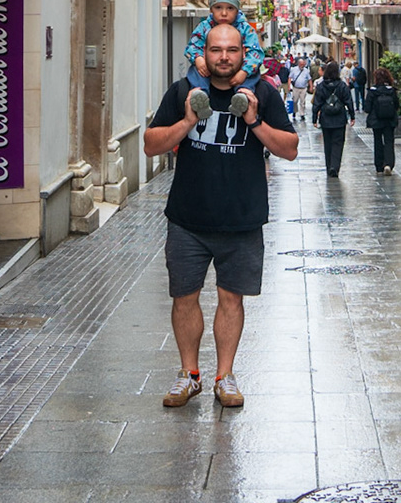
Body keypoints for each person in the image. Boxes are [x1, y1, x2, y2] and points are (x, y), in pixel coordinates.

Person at [144, 22, 299, 408]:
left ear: (244, 54)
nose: (224, 57)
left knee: (232, 300)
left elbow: (290, 149)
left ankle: (224, 376)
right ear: (204, 53)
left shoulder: (261, 93)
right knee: (184, 298)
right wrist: (187, 121)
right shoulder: (183, 91)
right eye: (216, 50)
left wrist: (254, 122)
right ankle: (189, 375)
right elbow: (150, 145)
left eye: (232, 50)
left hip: (242, 219)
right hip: (188, 219)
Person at [182, 0, 266, 119]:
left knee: (253, 75)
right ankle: (200, 96)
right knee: (195, 72)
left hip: (240, 69)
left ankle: (243, 97)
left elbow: (255, 52)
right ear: (211, 9)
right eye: (218, 7)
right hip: (209, 70)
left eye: (230, 8)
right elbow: (192, 45)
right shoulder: (204, 27)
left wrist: (244, 71)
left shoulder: (245, 29)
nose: (224, 13)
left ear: (237, 9)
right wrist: (198, 59)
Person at [311, 60, 354, 178]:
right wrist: (352, 116)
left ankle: (329, 165)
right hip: (339, 118)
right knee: (338, 143)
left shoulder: (321, 86)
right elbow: (349, 101)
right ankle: (335, 166)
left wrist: (314, 119)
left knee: (328, 143)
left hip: (326, 118)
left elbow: (316, 103)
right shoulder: (342, 86)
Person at [363, 67, 401, 175]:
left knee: (378, 141)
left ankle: (379, 166)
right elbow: (397, 106)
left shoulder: (372, 91)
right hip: (390, 120)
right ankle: (388, 164)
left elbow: (367, 108)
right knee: (389, 141)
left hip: (376, 121)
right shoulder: (392, 91)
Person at [289, 59, 313, 124]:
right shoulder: (294, 69)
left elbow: (309, 79)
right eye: (301, 64)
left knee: (302, 102)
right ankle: (294, 111)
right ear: (298, 64)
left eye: (303, 64)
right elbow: (290, 77)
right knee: (295, 101)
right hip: (295, 88)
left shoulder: (306, 70)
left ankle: (302, 114)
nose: (303, 65)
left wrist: (311, 87)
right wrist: (289, 86)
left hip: (303, 88)